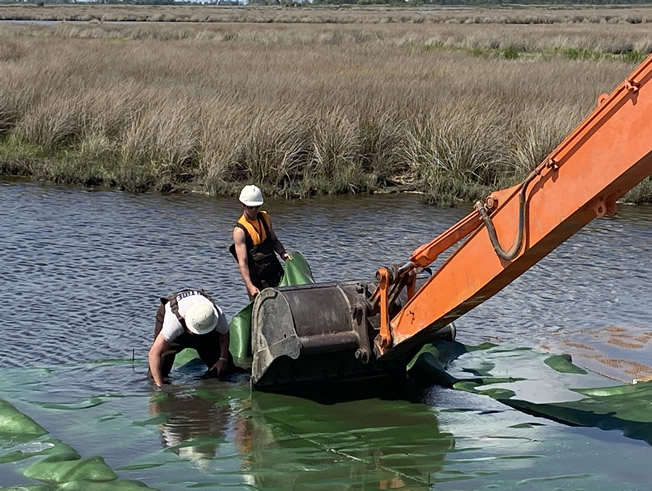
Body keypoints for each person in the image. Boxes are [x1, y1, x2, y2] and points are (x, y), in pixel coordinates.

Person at [148, 289, 231, 387]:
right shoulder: (173, 323)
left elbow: (224, 335)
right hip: (178, 319)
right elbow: (154, 353)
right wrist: (160, 386)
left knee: (226, 371)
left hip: (205, 325)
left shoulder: (216, 315)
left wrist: (223, 359)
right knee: (158, 371)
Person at [230, 184, 291, 300]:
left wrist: (283, 253)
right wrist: (250, 286)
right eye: (250, 207)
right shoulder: (240, 231)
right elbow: (243, 263)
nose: (254, 210)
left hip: (275, 273)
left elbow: (274, 241)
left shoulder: (265, 218)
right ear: (243, 205)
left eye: (256, 207)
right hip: (257, 281)